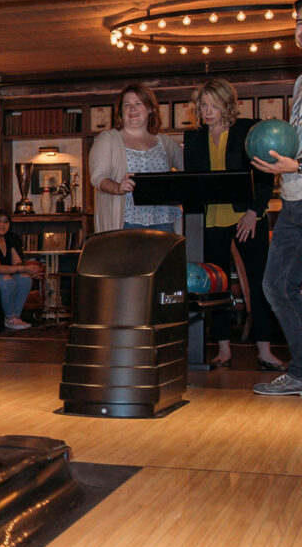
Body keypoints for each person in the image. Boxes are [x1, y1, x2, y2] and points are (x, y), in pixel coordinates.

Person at [185, 79, 284, 371]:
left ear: (228, 103)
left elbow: (266, 176)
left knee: (259, 284)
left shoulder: (248, 130)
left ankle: (265, 352)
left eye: (213, 104)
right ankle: (224, 350)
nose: (207, 110)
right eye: (203, 105)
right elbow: (194, 182)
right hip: (212, 219)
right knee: (215, 286)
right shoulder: (194, 137)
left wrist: (255, 211)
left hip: (248, 218)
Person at [253, 4, 302, 397]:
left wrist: (297, 165)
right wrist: (287, 169)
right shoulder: (301, 82)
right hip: (293, 201)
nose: (301, 31)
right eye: (299, 23)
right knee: (276, 286)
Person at [88, 83, 183, 233]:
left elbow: (187, 170)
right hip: (126, 221)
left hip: (164, 220)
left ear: (150, 108)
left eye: (138, 103)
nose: (132, 109)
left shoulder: (165, 142)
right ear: (121, 111)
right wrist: (118, 188)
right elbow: (98, 178)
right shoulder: (108, 139)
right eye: (127, 105)